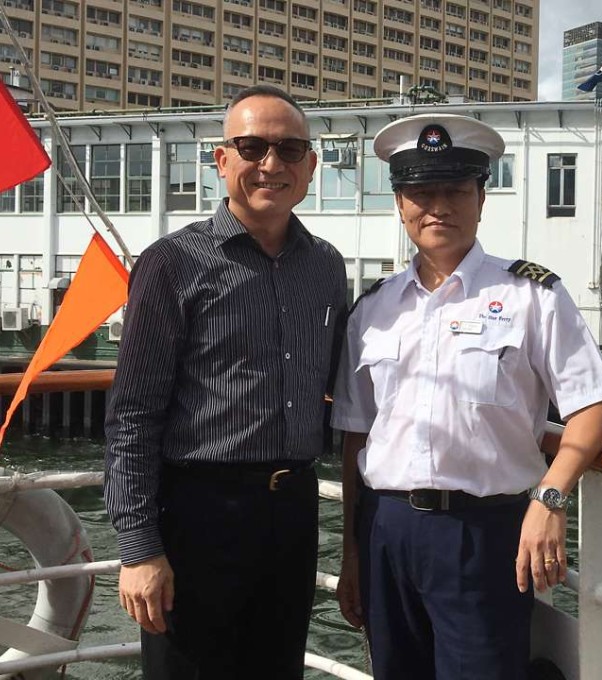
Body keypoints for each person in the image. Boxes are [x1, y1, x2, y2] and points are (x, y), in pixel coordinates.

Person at [332, 113, 602, 680]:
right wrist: (351, 554)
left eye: (455, 190)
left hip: (485, 534)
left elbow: (597, 404)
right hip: (386, 530)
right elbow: (356, 438)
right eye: (420, 191)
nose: (438, 205)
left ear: (481, 198)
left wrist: (551, 498)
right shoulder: (373, 309)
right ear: (399, 203)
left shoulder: (531, 294)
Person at [104, 84, 347, 679]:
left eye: (290, 150)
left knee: (277, 668)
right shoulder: (172, 263)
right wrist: (139, 547)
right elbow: (133, 412)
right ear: (221, 159)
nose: (272, 164)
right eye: (252, 146)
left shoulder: (327, 266)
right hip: (197, 512)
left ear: (310, 166)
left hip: (291, 509)